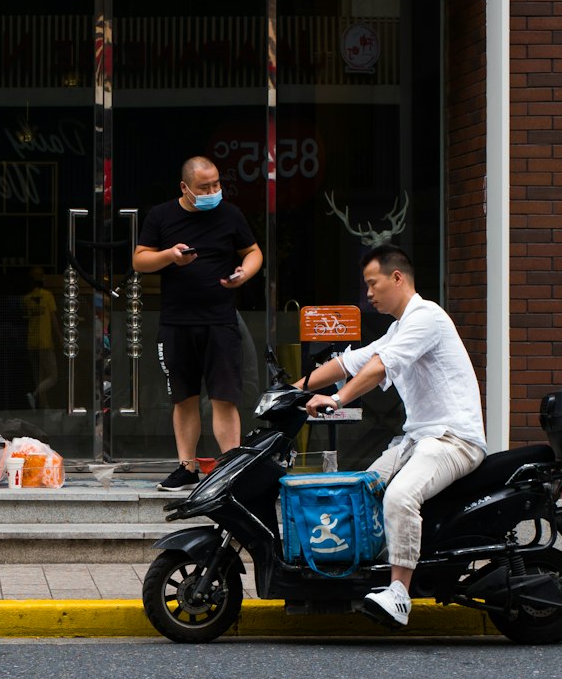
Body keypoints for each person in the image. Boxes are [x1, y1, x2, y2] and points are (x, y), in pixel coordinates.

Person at [298, 243, 487, 629]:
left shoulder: (426, 318)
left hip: (454, 439)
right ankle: (368, 573)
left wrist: (337, 399)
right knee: (363, 488)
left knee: (401, 497)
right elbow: (349, 362)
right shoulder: (399, 328)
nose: (368, 293)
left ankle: (399, 594)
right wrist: (288, 391)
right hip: (420, 440)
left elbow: (380, 367)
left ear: (397, 277)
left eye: (373, 283)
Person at [133, 156, 263, 493]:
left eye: (216, 184)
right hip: (176, 321)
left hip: (220, 320)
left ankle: (230, 468)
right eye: (204, 187)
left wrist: (243, 274)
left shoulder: (230, 214)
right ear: (185, 187)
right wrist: (170, 256)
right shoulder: (162, 215)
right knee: (184, 398)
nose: (213, 191)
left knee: (224, 397)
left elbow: (253, 253)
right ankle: (186, 467)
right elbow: (140, 259)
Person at [20, 266, 60, 407]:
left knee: (39, 378)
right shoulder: (47, 296)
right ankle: (34, 395)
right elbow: (53, 319)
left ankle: (45, 408)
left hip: (32, 341)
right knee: (53, 376)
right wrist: (60, 338)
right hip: (44, 342)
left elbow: (25, 318)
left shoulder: (26, 299)